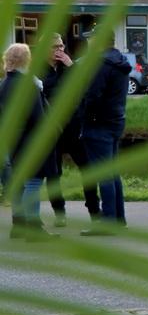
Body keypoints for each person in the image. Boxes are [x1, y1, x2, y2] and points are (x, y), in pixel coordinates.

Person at [1, 43, 58, 239]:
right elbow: (38, 117)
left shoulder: (4, 85)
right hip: (31, 140)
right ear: (27, 60)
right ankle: (34, 228)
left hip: (13, 140)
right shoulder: (28, 85)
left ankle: (18, 225)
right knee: (33, 182)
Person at [41, 33, 99, 224]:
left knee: (88, 169)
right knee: (53, 173)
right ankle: (59, 213)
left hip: (74, 126)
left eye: (61, 46)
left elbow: (86, 88)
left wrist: (71, 67)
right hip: (51, 129)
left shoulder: (70, 67)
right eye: (55, 47)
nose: (59, 50)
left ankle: (94, 211)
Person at [80, 30, 131, 233]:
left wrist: (85, 116)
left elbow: (93, 96)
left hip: (98, 123)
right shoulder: (120, 61)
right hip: (116, 120)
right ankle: (118, 218)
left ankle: (108, 221)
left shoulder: (99, 64)